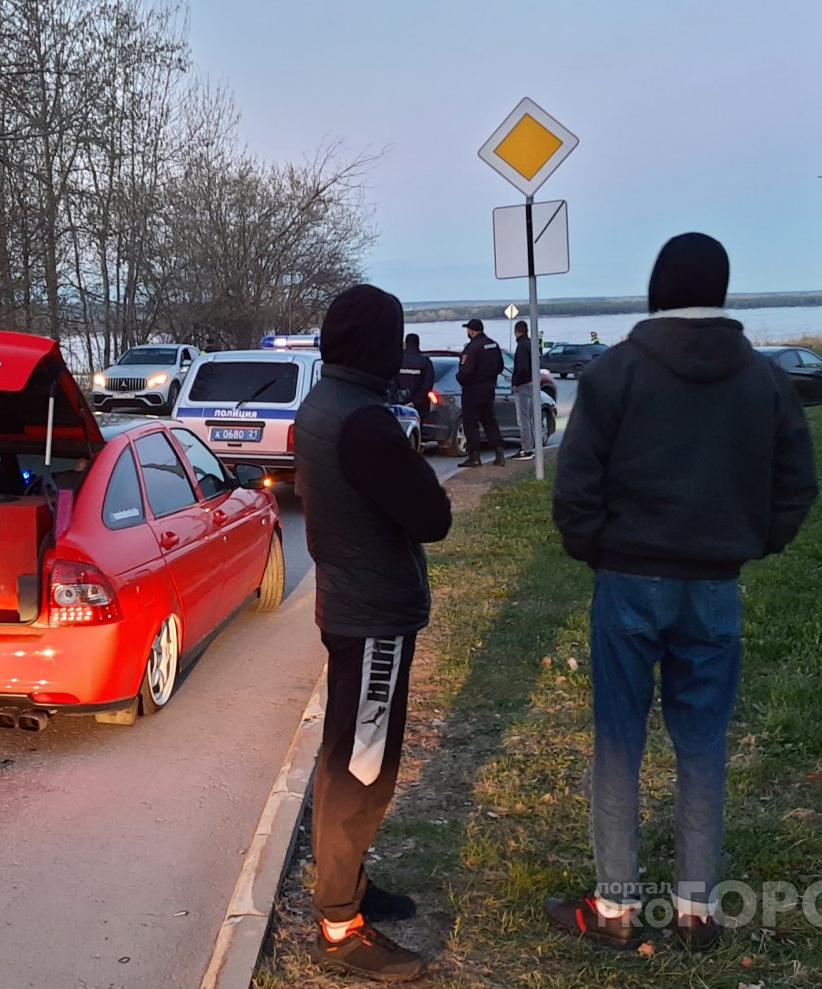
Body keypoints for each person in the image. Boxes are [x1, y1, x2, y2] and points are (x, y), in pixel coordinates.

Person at [547, 232, 818, 952]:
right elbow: (796, 486)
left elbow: (575, 490)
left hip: (628, 580)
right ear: (722, 293)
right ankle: (696, 910)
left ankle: (615, 907)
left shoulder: (614, 373)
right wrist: (753, 541)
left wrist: (603, 551)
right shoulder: (763, 378)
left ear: (657, 289)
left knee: (618, 742)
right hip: (715, 584)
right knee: (701, 743)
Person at [295, 284, 453, 982]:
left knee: (345, 752)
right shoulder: (365, 422)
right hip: (375, 617)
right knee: (363, 767)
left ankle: (348, 884)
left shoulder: (321, 403)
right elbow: (432, 516)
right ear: (378, 346)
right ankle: (339, 924)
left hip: (347, 605)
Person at [455, 318, 505, 468]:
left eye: (468, 330)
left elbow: (466, 371)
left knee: (471, 423)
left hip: (472, 390)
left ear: (471, 331)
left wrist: (460, 378)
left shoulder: (472, 348)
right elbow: (500, 366)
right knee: (490, 421)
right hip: (489, 389)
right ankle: (499, 453)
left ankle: (474, 457)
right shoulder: (493, 345)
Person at [510, 320, 536, 461]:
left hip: (523, 385)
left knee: (523, 419)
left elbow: (522, 367)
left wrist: (516, 382)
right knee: (529, 418)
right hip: (532, 383)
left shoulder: (521, 347)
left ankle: (526, 449)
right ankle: (529, 446)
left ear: (517, 331)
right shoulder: (531, 344)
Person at [395, 332, 435, 419]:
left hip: (400, 403)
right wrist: (415, 401)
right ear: (418, 343)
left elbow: (393, 380)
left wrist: (398, 398)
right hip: (420, 406)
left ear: (406, 343)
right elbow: (428, 384)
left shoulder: (398, 360)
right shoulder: (425, 361)